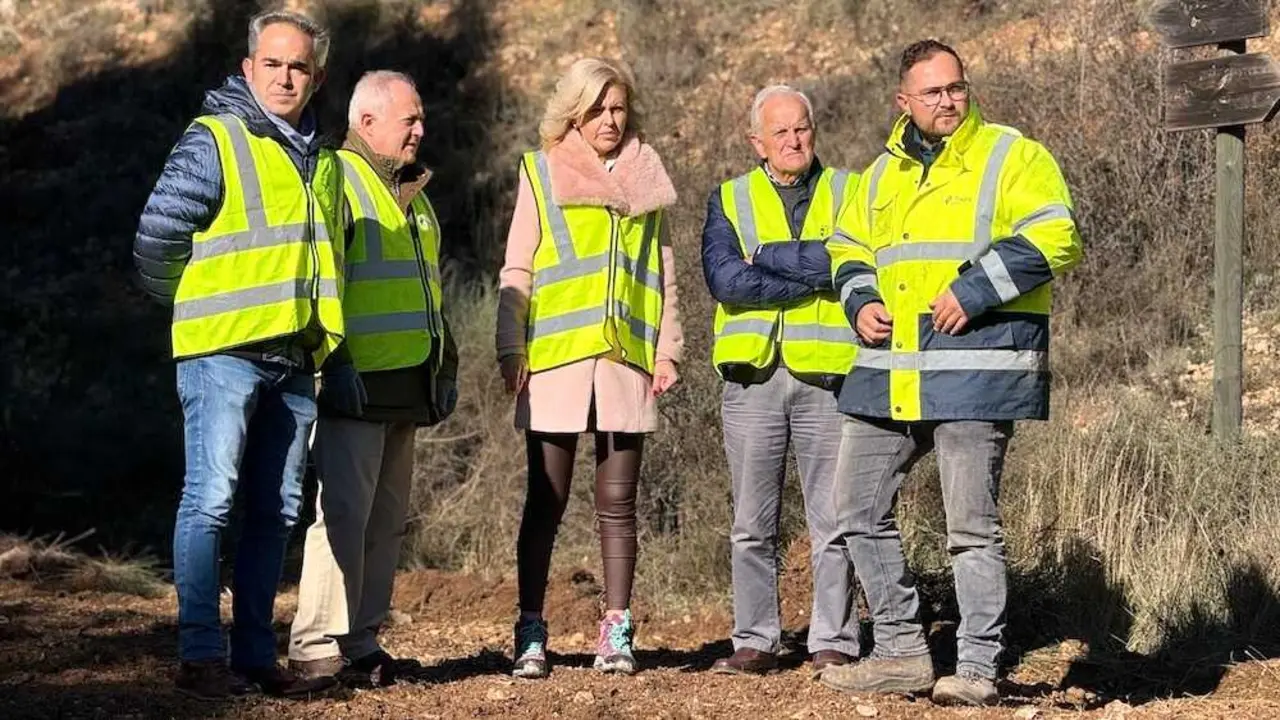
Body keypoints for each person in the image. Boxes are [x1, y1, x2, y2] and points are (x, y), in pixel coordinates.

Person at [817, 39, 1083, 706]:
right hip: (889, 371)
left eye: (956, 87)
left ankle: (976, 668)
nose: (948, 100)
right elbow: (847, 246)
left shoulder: (1011, 153)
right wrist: (860, 299)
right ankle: (904, 654)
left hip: (976, 370)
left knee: (970, 527)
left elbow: (1057, 234)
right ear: (903, 101)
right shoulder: (877, 175)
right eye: (932, 92)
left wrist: (976, 289)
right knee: (855, 507)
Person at [133, 10, 347, 700]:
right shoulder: (215, 138)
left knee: (276, 511)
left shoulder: (321, 155)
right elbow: (158, 236)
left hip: (292, 357)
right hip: (223, 353)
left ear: (316, 78)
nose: (287, 77)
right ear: (249, 66)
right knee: (211, 500)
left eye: (300, 67)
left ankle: (255, 656)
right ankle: (200, 655)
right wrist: (193, 304)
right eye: (274, 64)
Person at [495, 57, 683, 679]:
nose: (610, 119)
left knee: (619, 504)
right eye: (598, 108)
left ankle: (617, 631)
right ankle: (530, 630)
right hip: (554, 361)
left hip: (627, 360)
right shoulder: (541, 172)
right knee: (545, 501)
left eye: (618, 108)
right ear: (574, 112)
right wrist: (509, 345)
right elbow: (518, 266)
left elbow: (663, 273)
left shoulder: (647, 177)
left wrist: (668, 349)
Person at [286, 70, 458, 687]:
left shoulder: (414, 192)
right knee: (342, 517)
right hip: (354, 381)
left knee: (384, 522)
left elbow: (429, 292)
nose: (420, 129)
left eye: (420, 118)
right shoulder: (338, 178)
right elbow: (323, 279)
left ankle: (360, 641)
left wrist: (445, 367)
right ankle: (312, 646)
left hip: (408, 383)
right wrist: (335, 364)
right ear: (366, 122)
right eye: (408, 119)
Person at [701, 85, 861, 677]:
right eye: (781, 132)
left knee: (834, 518)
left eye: (803, 128)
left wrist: (767, 255)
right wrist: (811, 274)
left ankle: (834, 639)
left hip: (828, 375)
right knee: (751, 521)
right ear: (756, 142)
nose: (794, 140)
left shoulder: (851, 190)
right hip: (753, 377)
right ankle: (755, 640)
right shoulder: (728, 198)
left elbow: (849, 262)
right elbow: (727, 283)